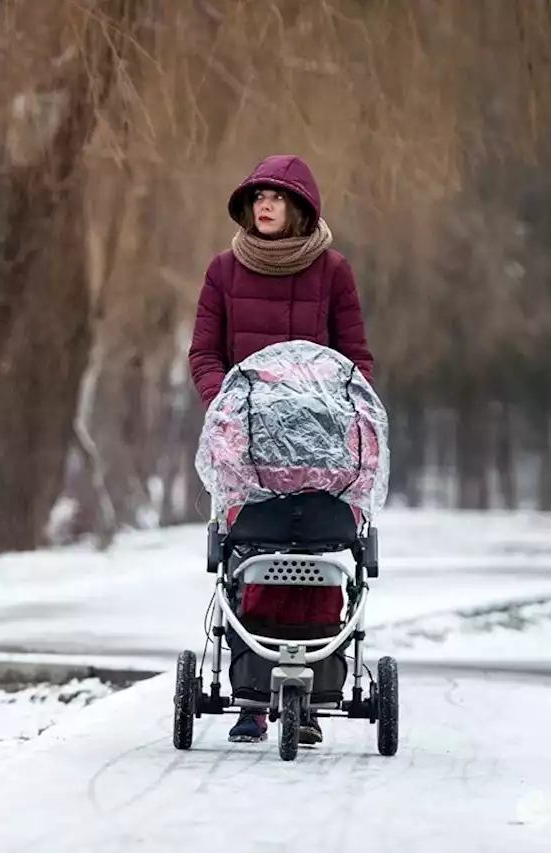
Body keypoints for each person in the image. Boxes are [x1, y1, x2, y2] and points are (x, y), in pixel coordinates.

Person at [188, 154, 375, 745]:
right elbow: (204, 354)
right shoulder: (223, 272)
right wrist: (230, 406)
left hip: (319, 437)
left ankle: (314, 692)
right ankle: (250, 697)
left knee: (317, 546)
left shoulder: (333, 272)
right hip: (245, 438)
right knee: (252, 548)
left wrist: (345, 413)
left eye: (276, 198)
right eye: (257, 198)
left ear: (299, 207)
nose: (264, 206)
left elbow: (356, 359)